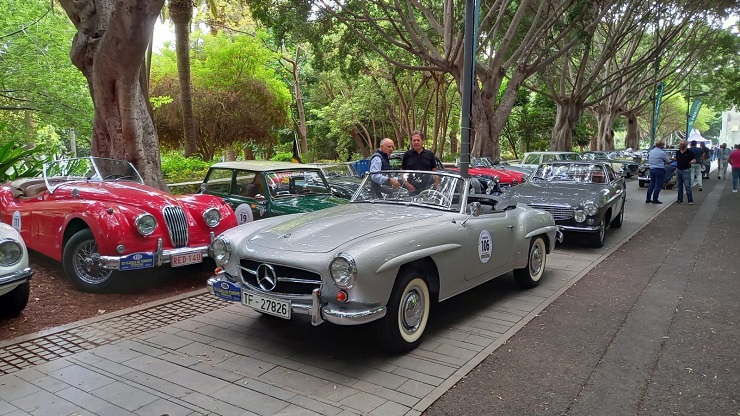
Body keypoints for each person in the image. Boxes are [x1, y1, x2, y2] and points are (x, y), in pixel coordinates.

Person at [675, 139, 696, 204]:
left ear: (686, 145)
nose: (682, 145)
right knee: (679, 185)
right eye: (681, 144)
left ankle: (690, 200)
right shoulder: (677, 152)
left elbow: (694, 159)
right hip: (678, 170)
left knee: (687, 185)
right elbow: (677, 159)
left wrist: (693, 161)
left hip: (686, 170)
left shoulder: (689, 152)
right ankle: (679, 199)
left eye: (684, 144)